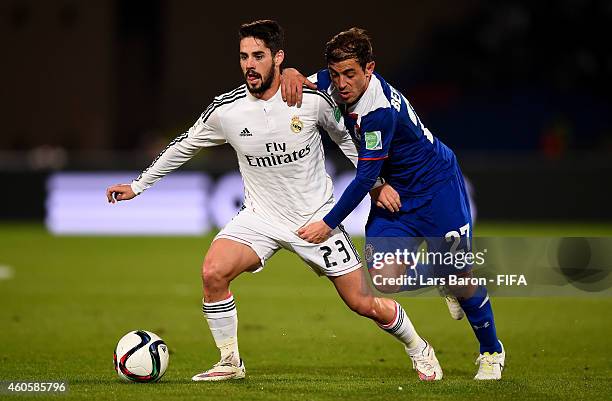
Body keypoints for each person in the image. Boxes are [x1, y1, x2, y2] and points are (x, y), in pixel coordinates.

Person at [106, 20, 443, 382]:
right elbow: (184, 145)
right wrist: (138, 186)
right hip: (260, 217)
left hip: (316, 219)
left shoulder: (311, 101)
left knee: (363, 303)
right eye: (243, 56)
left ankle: (418, 347)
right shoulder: (227, 110)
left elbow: (347, 140)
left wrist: (376, 183)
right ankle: (230, 361)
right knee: (213, 273)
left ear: (278, 57)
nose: (250, 64)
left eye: (258, 56)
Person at [281, 27, 505, 380]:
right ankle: (442, 276)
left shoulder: (378, 112)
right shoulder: (333, 79)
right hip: (396, 194)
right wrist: (290, 73)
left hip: (436, 189)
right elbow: (303, 81)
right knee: (384, 278)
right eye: (336, 74)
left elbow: (366, 179)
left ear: (370, 69)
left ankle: (491, 350)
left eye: (350, 74)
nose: (341, 83)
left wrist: (328, 222)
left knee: (461, 276)